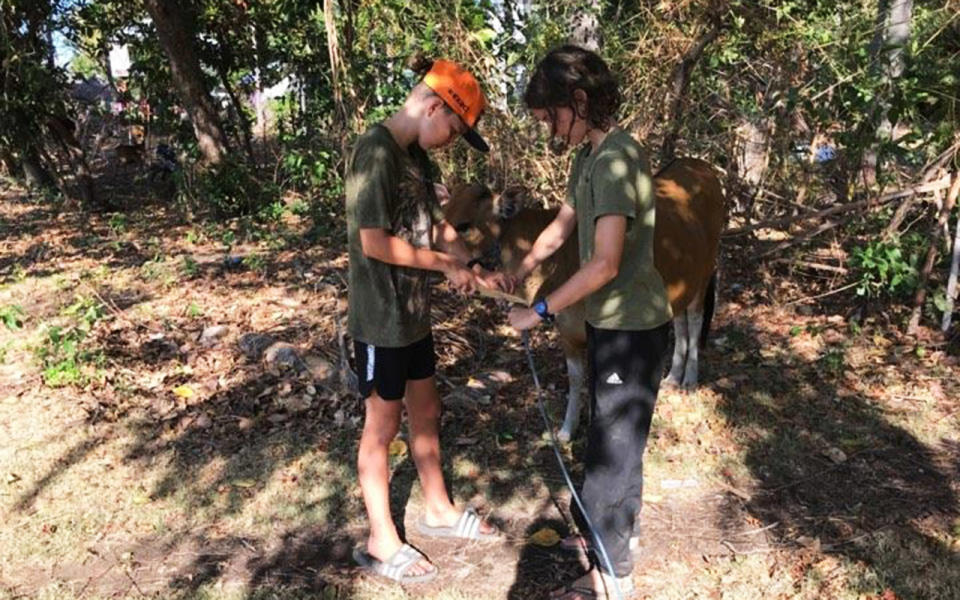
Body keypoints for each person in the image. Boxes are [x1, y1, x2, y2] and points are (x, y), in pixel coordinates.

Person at [507, 45, 673, 600]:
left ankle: (612, 579)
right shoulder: (589, 159)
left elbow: (603, 262)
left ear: (579, 101)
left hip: (633, 332)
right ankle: (619, 544)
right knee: (614, 444)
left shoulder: (617, 159)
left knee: (608, 455)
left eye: (550, 116)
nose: (549, 130)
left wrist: (539, 310)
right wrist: (521, 270)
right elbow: (562, 225)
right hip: (611, 326)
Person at [346, 56, 509, 585]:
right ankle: (380, 540)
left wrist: (475, 266)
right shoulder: (375, 151)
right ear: (434, 105)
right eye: (455, 130)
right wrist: (446, 266)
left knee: (427, 408)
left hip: (413, 314)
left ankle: (437, 509)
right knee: (382, 425)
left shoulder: (419, 159)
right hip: (380, 318)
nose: (450, 140)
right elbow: (373, 242)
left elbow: (439, 231)